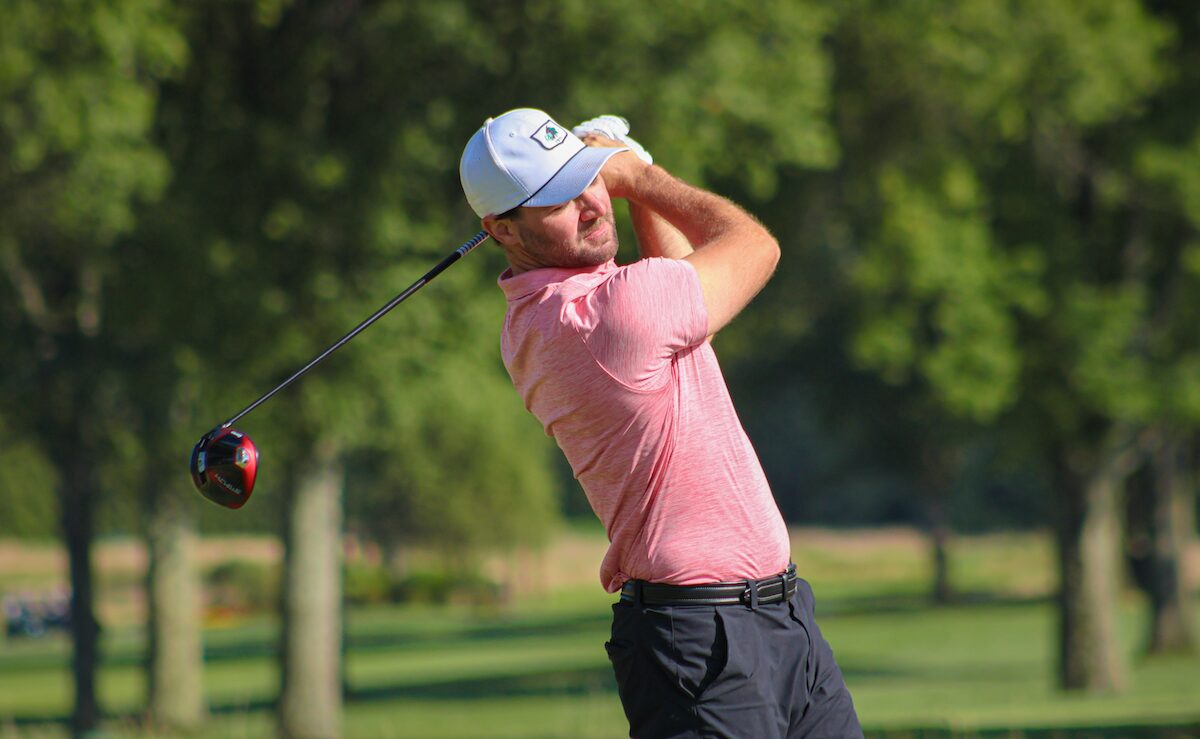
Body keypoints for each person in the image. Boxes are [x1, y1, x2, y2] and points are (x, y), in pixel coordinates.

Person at [459, 108, 861, 738]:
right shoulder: (602, 320)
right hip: (703, 648)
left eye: (586, 178)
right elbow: (757, 247)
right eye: (558, 199)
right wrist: (640, 177)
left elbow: (679, 286)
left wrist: (623, 174)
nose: (592, 204)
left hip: (779, 620)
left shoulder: (549, 313)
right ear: (501, 229)